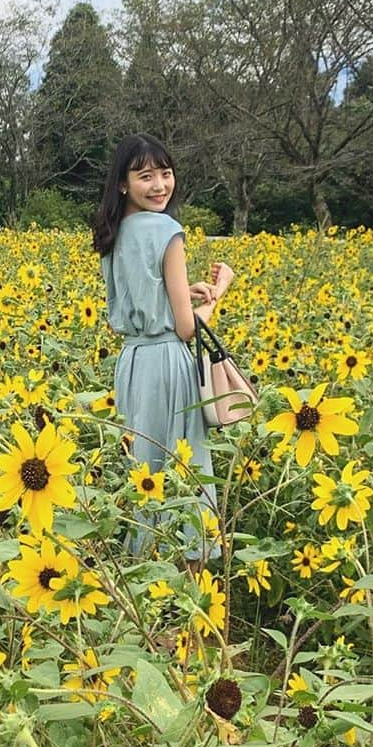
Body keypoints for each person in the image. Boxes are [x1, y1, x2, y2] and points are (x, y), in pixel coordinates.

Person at [91, 133, 235, 573]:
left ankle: (141, 582)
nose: (159, 185)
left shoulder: (113, 233)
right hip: (168, 365)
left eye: (165, 174)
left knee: (144, 473)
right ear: (123, 183)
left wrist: (180, 293)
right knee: (185, 468)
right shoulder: (168, 230)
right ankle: (189, 595)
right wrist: (219, 291)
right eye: (145, 176)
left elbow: (141, 298)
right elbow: (188, 327)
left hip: (133, 363)